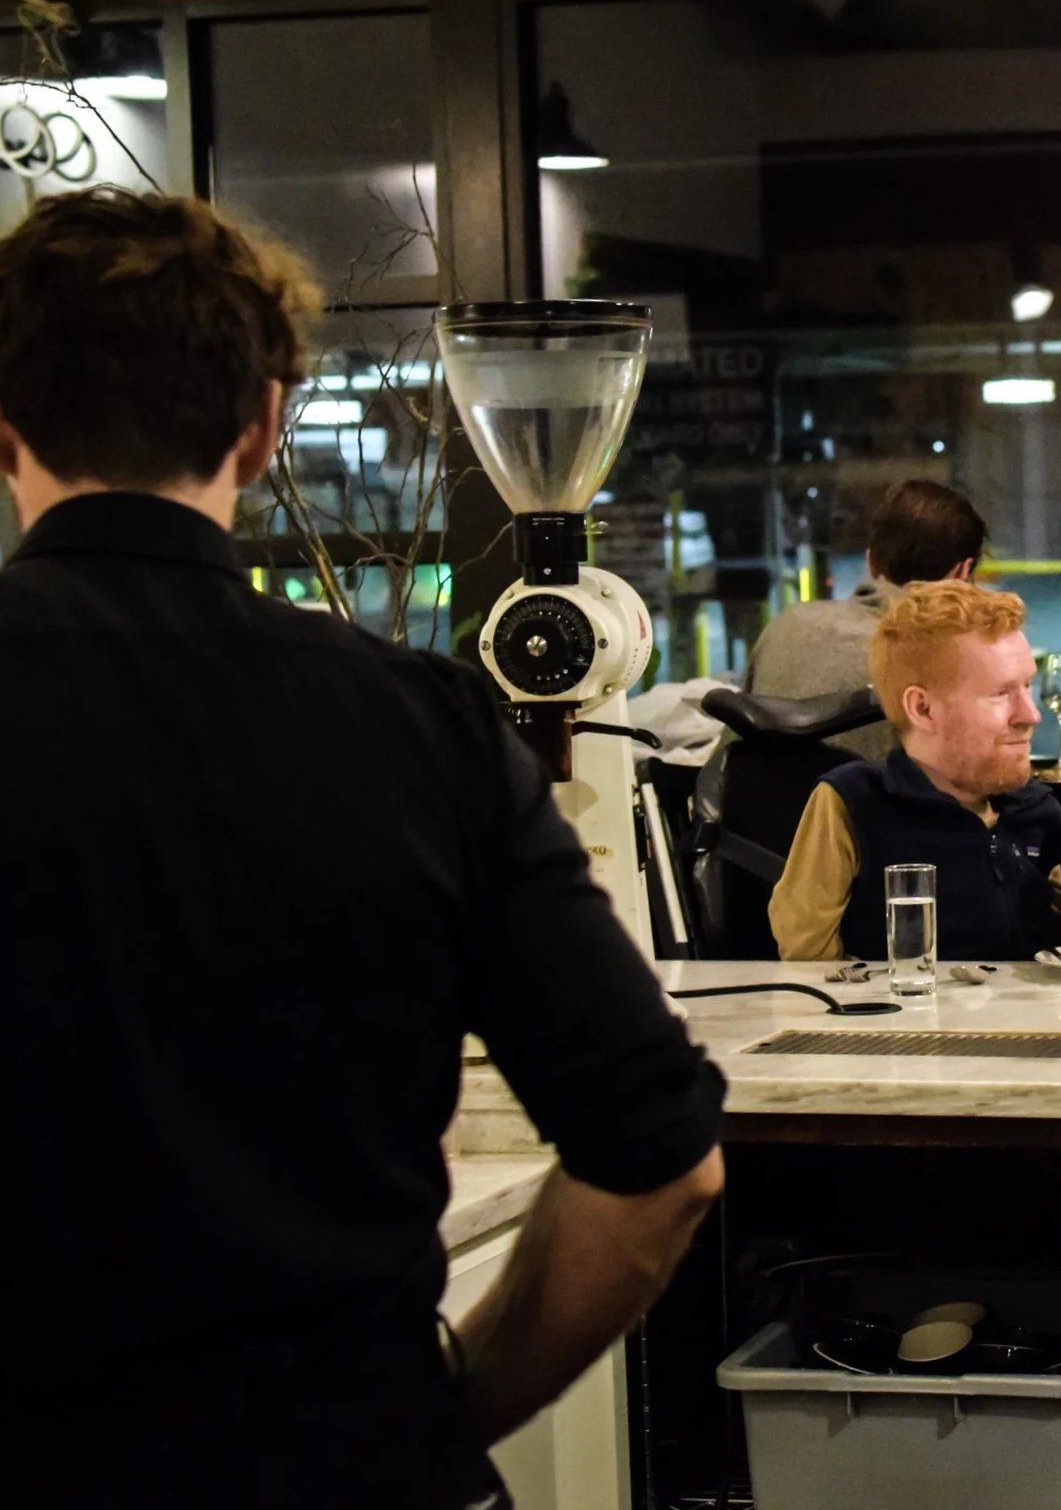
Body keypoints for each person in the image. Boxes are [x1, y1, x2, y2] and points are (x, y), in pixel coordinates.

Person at [0, 190, 727, 1507]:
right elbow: (663, 1162)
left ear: (5, 431)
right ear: (265, 426)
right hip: (354, 1457)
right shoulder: (422, 722)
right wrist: (450, 1410)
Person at [769, 579, 1061, 960]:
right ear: (923, 709)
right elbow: (808, 963)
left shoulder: (1032, 808)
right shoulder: (854, 803)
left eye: (1028, 686)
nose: (1031, 715)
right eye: (1000, 693)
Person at [743, 477, 987, 760]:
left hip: (756, 803)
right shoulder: (940, 662)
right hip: (875, 806)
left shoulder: (785, 626)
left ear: (871, 563)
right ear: (961, 574)